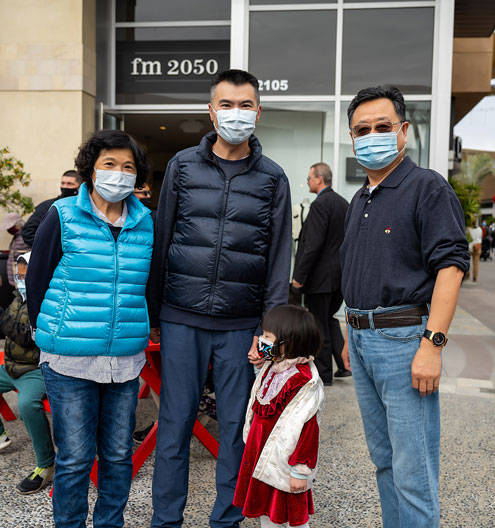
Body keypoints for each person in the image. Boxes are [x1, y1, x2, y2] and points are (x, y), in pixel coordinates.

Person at [148, 69, 292, 528]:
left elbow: (277, 261)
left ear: (258, 111)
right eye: (226, 104)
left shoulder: (273, 178)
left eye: (245, 104)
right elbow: (162, 238)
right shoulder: (182, 166)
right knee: (173, 426)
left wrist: (269, 335)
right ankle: (166, 520)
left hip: (241, 324)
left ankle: (226, 519)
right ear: (211, 110)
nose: (236, 113)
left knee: (235, 430)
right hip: (180, 319)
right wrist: (153, 314)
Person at [340, 86, 470, 528]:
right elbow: (357, 271)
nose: (372, 135)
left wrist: (432, 344)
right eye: (362, 130)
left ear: (404, 132)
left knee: (413, 473)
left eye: (382, 127)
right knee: (385, 463)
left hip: (402, 342)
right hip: (361, 339)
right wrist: (348, 335)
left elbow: (451, 267)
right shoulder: (360, 198)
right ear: (352, 138)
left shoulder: (426, 187)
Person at [26, 130, 154, 528]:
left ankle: (109, 523)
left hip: (125, 359)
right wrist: (43, 330)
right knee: (76, 456)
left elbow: (152, 284)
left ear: (138, 177)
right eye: (109, 165)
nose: (119, 173)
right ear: (91, 170)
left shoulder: (147, 222)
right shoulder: (62, 215)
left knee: (117, 455)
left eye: (128, 167)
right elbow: (37, 278)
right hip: (69, 359)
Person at [234, 304, 324, 528]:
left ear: (289, 343)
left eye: (266, 336)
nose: (261, 340)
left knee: (293, 514)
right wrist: (260, 363)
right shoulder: (273, 366)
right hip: (263, 454)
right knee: (265, 510)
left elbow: (308, 430)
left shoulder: (303, 382)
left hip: (285, 460)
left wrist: (300, 470)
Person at [0, 252, 56, 494]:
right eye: (18, 276)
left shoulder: (46, 302)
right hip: (12, 365)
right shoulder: (17, 298)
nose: (21, 280)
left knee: (27, 405)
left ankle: (45, 464)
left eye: (26, 276)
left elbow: (26, 336)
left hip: (35, 369)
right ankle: (1, 435)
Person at [292, 162, 350, 385]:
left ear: (319, 179)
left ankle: (324, 375)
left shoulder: (320, 205)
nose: (307, 182)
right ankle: (344, 366)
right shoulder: (343, 204)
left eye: (309, 178)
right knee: (328, 320)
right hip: (338, 279)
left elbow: (312, 245)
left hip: (320, 279)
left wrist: (299, 276)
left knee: (319, 326)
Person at [22, 169, 82, 247]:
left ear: (79, 187)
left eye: (70, 184)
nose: (65, 187)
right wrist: (46, 248)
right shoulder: (48, 206)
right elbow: (28, 231)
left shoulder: (84, 207)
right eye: (63, 183)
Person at [0, 212, 30, 287]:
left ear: (19, 224)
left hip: (22, 281)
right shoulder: (17, 237)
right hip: (17, 280)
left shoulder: (25, 237)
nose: (9, 230)